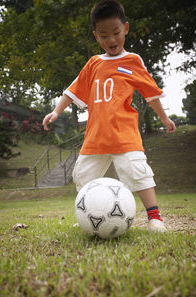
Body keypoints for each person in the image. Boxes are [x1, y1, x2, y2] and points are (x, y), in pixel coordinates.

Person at [43, 0, 176, 232]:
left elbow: (150, 94)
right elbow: (72, 89)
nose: (111, 40)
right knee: (82, 177)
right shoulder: (93, 63)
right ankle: (88, 216)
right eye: (104, 36)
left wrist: (164, 118)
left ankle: (155, 218)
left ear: (125, 28)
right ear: (96, 36)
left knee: (139, 173)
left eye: (115, 33)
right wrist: (56, 111)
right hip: (95, 137)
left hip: (124, 135)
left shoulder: (133, 61)